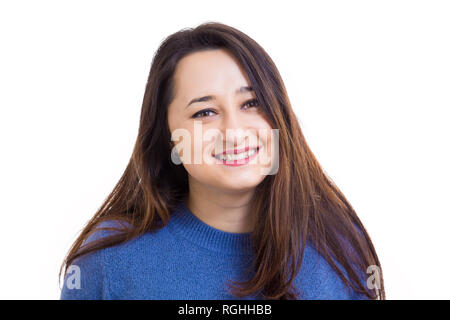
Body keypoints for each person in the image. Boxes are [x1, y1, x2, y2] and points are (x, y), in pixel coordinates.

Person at [59, 21, 385, 300]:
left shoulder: (340, 247)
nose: (235, 132)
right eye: (205, 112)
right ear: (168, 135)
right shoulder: (107, 259)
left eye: (251, 103)